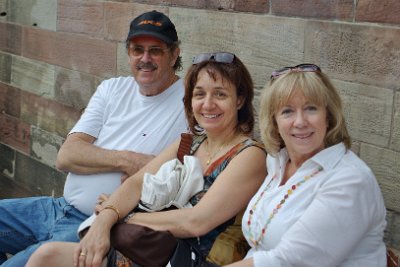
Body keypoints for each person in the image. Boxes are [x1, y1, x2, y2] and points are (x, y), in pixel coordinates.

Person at [25, 52, 267, 267]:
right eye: (199, 94)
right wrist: (102, 223)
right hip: (152, 250)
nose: (207, 104)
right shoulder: (190, 142)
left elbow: (196, 222)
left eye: (220, 94)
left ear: (240, 100)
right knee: (46, 256)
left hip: (193, 258)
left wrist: (125, 217)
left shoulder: (249, 155)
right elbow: (136, 183)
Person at [0, 10, 188, 267]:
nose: (145, 58)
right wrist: (129, 160)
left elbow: (189, 175)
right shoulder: (113, 89)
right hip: (58, 208)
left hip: (95, 226)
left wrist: (138, 167)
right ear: (128, 53)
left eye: (155, 50)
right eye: (137, 50)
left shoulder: (191, 102)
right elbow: (66, 156)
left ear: (174, 54)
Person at [225, 64, 387, 267]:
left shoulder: (350, 180)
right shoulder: (277, 162)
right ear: (274, 121)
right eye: (287, 111)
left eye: (311, 108)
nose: (300, 122)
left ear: (328, 116)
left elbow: (289, 261)